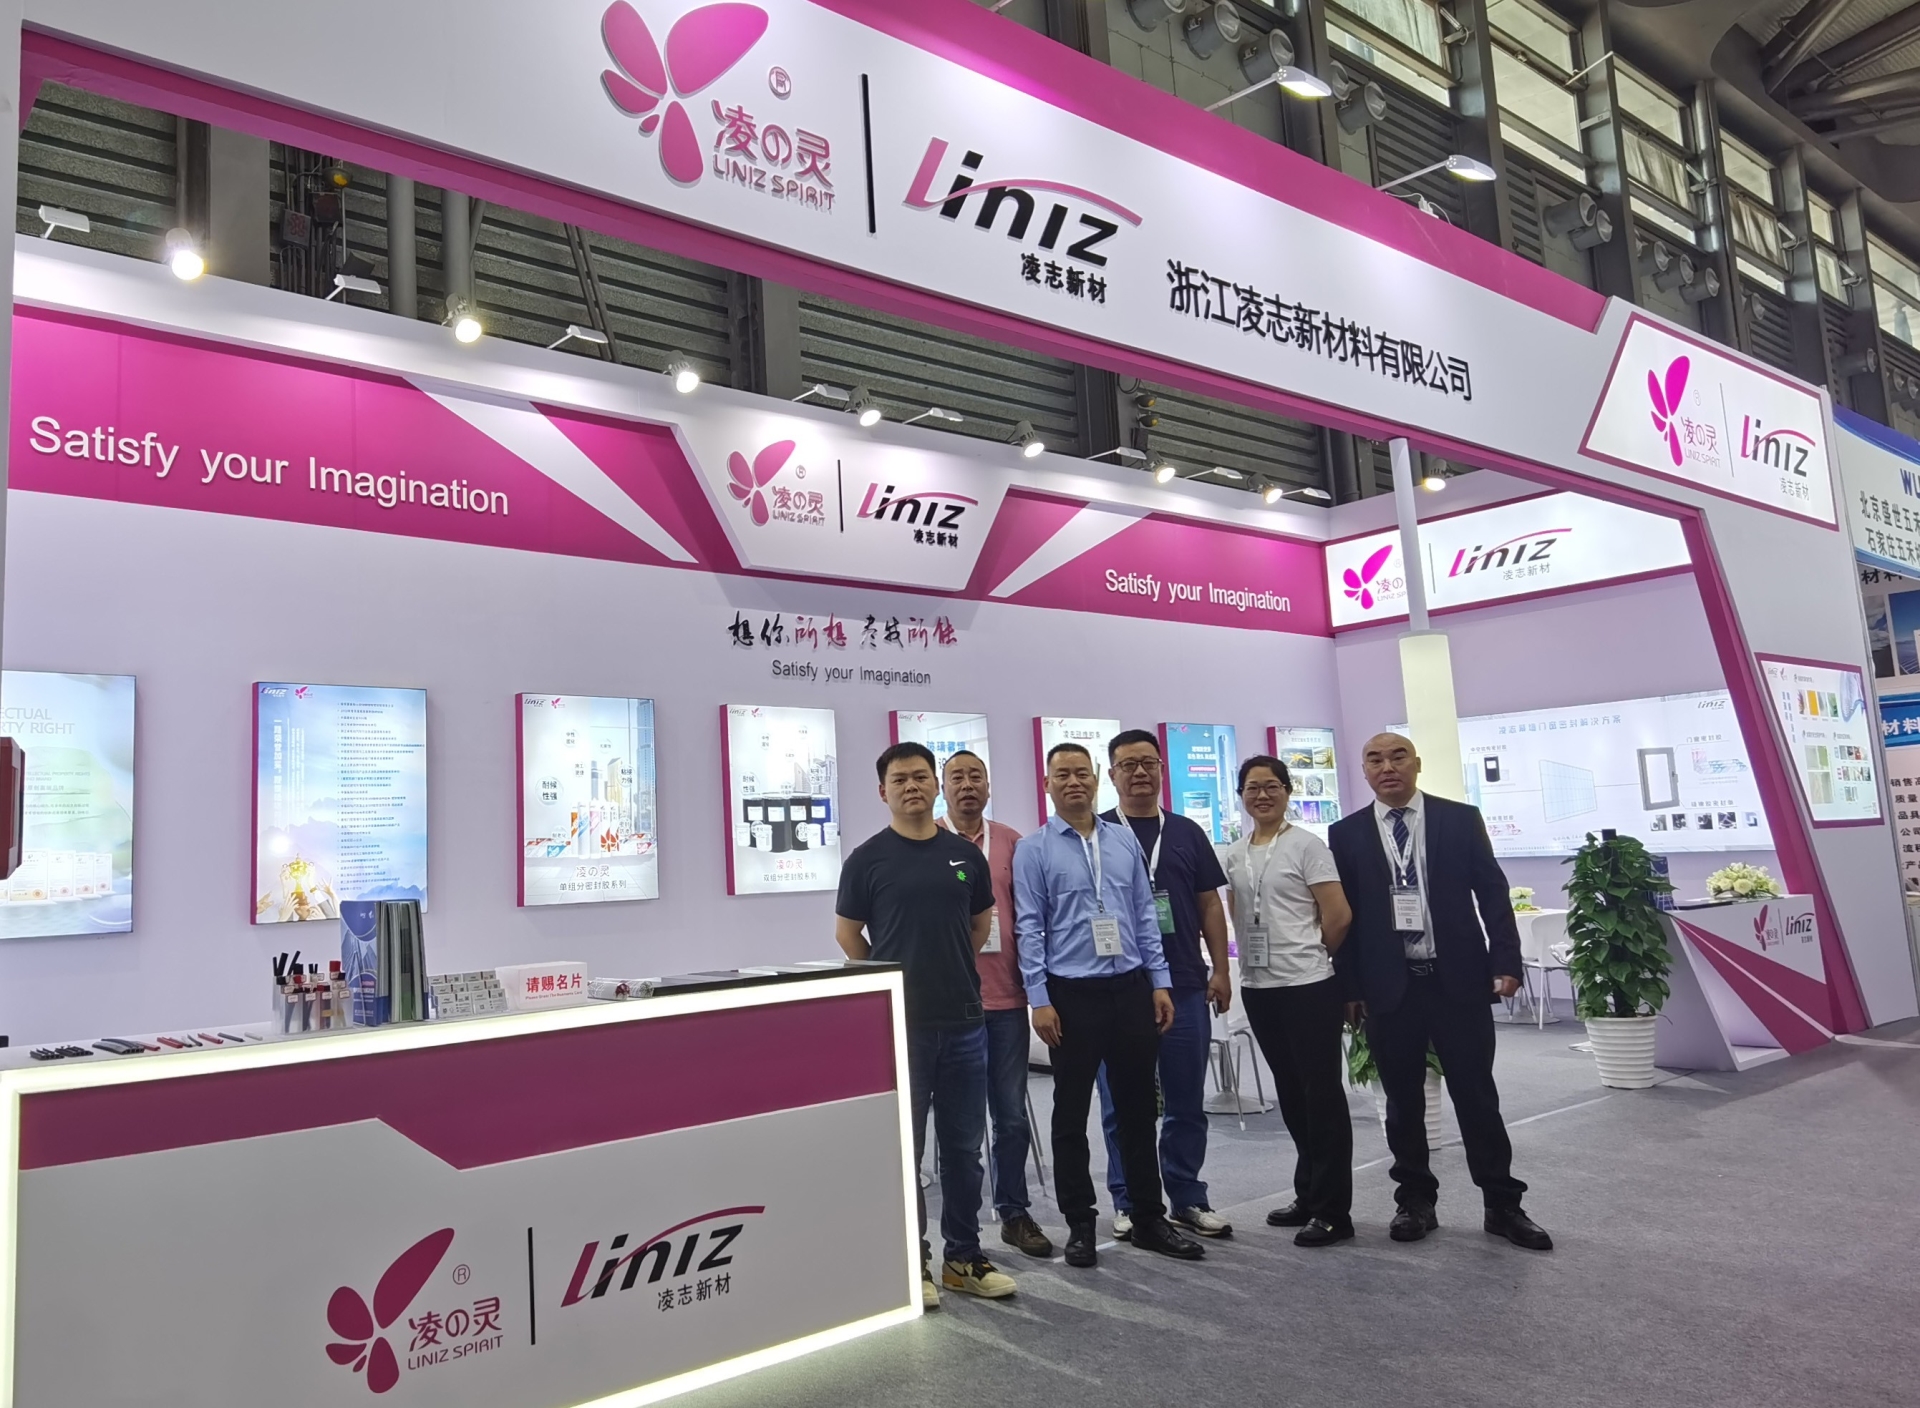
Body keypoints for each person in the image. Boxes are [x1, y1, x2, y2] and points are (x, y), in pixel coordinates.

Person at [1327, 733, 1553, 1252]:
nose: (1387, 766)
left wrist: (1506, 960)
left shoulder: (1459, 819)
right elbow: (1346, 917)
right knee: (1402, 1102)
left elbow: (1492, 891)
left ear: (1417, 763)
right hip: (1390, 987)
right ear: (1364, 770)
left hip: (1457, 981)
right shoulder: (1346, 833)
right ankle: (1414, 1201)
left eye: (1397, 756)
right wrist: (1351, 986)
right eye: (1375, 759)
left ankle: (1502, 1204)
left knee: (1477, 1096)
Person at [836, 742, 1019, 1306]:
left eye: (920, 777)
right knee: (906, 1150)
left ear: (935, 786)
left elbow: (980, 922)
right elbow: (847, 934)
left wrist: (949, 965)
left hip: (965, 1021)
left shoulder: (964, 856)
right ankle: (913, 1262)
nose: (911, 786)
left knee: (964, 1149)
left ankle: (963, 1256)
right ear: (882, 791)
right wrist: (890, 977)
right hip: (903, 1026)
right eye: (900, 779)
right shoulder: (867, 859)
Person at [1013, 742, 1205, 1269]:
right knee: (1071, 1115)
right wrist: (1039, 998)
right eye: (1062, 774)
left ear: (1096, 779)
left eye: (1082, 772)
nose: (1073, 781)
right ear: (1047, 784)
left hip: (1131, 989)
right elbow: (1029, 926)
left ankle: (1148, 1218)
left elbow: (1144, 915)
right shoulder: (1033, 849)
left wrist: (1159, 982)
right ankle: (1081, 1223)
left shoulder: (1123, 840)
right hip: (1071, 996)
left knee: (1139, 1109)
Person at [1096, 729, 1234, 1241]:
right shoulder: (1097, 833)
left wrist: (1220, 969)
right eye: (1128, 764)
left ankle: (1187, 1196)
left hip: (1185, 984)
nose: (1139, 772)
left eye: (1148, 763)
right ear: (1112, 775)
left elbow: (1209, 904)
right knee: (1121, 1104)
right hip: (1120, 988)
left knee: (1185, 1100)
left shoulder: (1186, 832)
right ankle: (1129, 1200)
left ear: (1161, 769)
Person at [1222, 755, 1355, 1246]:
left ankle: (1333, 1211)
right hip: (1260, 988)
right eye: (1252, 787)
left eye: (1271, 786)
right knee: (1293, 1095)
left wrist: (1312, 953)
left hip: (1308, 986)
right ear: (1241, 795)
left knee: (1322, 1096)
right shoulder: (1235, 853)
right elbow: (1238, 912)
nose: (1262, 795)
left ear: (1287, 791)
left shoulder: (1306, 845)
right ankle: (1309, 1193)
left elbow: (1338, 915)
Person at [936, 749, 1052, 1260]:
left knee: (1011, 1116)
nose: (967, 785)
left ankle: (1013, 1211)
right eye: (956, 777)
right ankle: (958, 1231)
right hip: (950, 1004)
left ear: (988, 785)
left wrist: (1038, 990)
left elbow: (1031, 918)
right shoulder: (928, 841)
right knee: (958, 1129)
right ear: (942, 788)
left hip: (1006, 999)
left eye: (975, 776)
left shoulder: (1012, 842)